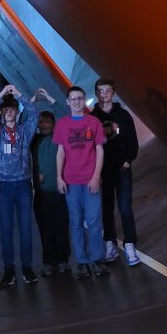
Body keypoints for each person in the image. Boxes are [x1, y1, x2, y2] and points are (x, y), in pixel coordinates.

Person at [0, 85, 38, 287]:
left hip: (23, 183)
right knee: (6, 229)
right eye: (5, 110)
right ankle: (9, 269)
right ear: (2, 112)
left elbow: (34, 114)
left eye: (11, 109)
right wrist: (0, 96)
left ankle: (27, 267)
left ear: (16, 111)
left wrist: (18, 95)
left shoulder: (25, 130)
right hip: (5, 185)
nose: (8, 112)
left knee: (25, 228)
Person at [54, 85, 110, 279]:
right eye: (73, 99)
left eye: (80, 98)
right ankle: (82, 262)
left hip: (90, 180)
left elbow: (100, 151)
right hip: (71, 181)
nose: (77, 102)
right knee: (76, 223)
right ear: (68, 102)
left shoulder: (93, 122)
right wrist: (59, 177)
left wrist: (96, 176)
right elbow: (60, 153)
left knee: (94, 221)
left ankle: (97, 259)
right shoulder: (62, 124)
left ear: (83, 100)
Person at [90, 77, 141, 266]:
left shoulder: (123, 116)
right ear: (96, 93)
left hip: (122, 170)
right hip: (103, 172)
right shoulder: (92, 118)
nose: (105, 94)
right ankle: (110, 244)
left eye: (108, 91)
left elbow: (132, 141)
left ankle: (130, 246)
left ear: (113, 92)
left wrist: (128, 160)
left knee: (125, 208)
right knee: (106, 209)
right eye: (101, 91)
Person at [31, 101, 71, 276]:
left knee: (61, 226)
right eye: (41, 121)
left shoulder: (60, 138)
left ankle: (63, 260)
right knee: (45, 228)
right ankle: (49, 261)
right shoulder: (34, 141)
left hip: (60, 192)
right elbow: (26, 121)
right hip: (40, 193)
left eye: (47, 121)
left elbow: (65, 117)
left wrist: (49, 98)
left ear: (54, 124)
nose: (43, 124)